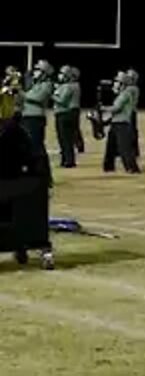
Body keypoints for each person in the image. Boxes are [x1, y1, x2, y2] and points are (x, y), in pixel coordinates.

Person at [1, 109, 55, 269]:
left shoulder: (14, 132)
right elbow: (34, 157)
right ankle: (23, 244)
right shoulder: (17, 131)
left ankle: (23, 244)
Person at [19, 60, 55, 176]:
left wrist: (20, 92)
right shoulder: (35, 84)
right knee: (29, 147)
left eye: (38, 70)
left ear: (44, 72)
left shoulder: (47, 85)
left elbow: (37, 98)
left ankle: (43, 174)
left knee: (37, 147)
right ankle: (33, 172)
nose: (35, 72)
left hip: (35, 118)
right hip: (27, 117)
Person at [103, 71, 141, 174]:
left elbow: (116, 108)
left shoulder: (125, 94)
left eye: (117, 82)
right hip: (116, 122)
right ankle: (109, 166)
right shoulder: (121, 94)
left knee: (124, 147)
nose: (114, 84)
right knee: (110, 146)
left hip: (122, 123)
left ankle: (132, 167)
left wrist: (103, 108)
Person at [52, 66, 78, 168]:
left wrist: (51, 95)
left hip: (65, 113)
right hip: (68, 113)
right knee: (66, 138)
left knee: (65, 138)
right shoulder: (73, 85)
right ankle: (66, 159)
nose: (60, 76)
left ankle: (68, 160)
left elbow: (62, 101)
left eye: (62, 74)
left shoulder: (68, 86)